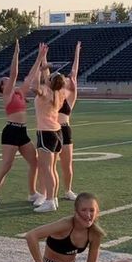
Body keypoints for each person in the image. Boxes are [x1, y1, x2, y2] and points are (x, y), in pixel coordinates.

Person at [0, 39, 42, 206]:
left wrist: (40, 57)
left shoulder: (19, 94)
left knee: (35, 161)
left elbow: (31, 77)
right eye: (5, 81)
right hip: (11, 132)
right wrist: (16, 53)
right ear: (2, 87)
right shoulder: (8, 95)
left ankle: (32, 193)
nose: (10, 81)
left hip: (22, 132)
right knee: (7, 165)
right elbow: (14, 74)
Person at [30, 44, 66, 213]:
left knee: (46, 169)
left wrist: (39, 65)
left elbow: (34, 85)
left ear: (51, 81)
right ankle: (54, 198)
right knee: (52, 169)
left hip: (46, 133)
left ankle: (50, 200)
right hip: (57, 132)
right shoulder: (58, 93)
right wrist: (43, 56)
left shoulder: (45, 91)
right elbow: (46, 78)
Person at [57, 41, 81, 201]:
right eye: (64, 78)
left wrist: (77, 53)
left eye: (68, 78)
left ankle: (68, 190)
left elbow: (74, 71)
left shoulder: (71, 96)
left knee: (67, 164)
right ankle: (45, 192)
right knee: (48, 165)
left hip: (65, 129)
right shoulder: (52, 95)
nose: (66, 78)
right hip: (52, 130)